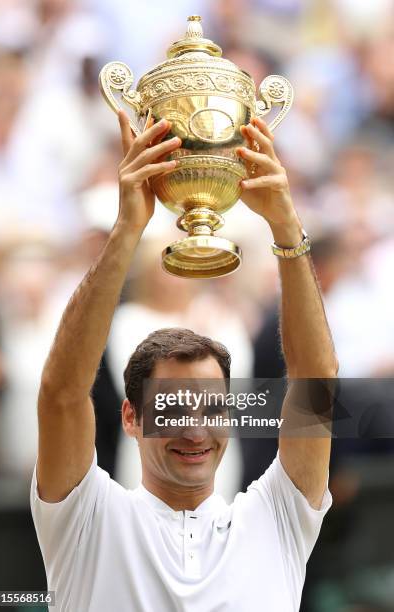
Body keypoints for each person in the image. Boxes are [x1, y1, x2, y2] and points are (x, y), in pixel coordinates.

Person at [30, 110, 338, 611]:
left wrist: (285, 223)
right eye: (174, 408)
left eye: (210, 410)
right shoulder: (87, 518)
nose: (195, 431)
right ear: (132, 417)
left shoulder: (278, 517)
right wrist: (128, 228)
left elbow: (315, 381)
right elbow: (62, 394)